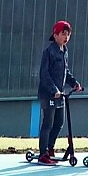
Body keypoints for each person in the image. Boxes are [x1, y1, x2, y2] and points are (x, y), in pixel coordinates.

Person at [36, 20, 83, 164]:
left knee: (59, 123)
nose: (66, 37)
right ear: (55, 35)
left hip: (60, 94)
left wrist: (74, 83)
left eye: (68, 34)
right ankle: (43, 153)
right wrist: (53, 89)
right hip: (49, 93)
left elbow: (65, 71)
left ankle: (50, 147)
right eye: (63, 34)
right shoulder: (49, 51)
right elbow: (44, 73)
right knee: (48, 123)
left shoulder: (64, 51)